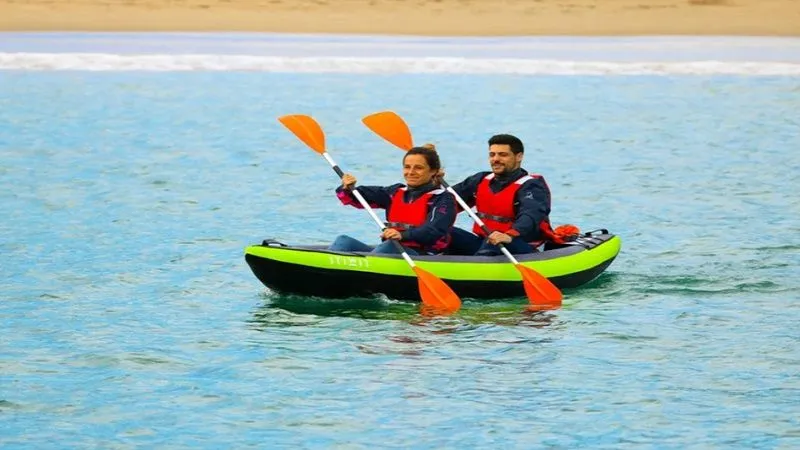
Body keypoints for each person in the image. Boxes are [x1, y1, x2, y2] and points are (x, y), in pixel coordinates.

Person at [328, 144, 456, 255]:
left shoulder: (443, 199)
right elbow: (358, 196)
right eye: (407, 167)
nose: (410, 172)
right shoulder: (394, 192)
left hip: (425, 255)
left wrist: (402, 235)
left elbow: (433, 231)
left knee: (389, 246)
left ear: (433, 171)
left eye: (418, 168)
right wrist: (347, 188)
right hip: (393, 250)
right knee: (343, 241)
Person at [447, 133, 561, 256]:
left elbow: (530, 216)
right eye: (492, 154)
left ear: (519, 157)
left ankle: (476, 268)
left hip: (518, 245)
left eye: (503, 155)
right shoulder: (480, 180)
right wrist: (431, 178)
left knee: (492, 241)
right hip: (485, 241)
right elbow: (444, 201)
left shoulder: (532, 186)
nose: (495, 159)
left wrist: (509, 235)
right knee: (443, 232)